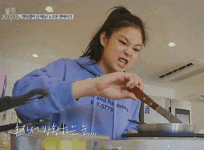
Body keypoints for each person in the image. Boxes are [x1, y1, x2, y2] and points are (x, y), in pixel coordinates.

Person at [12, 6, 148, 140]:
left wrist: (133, 137)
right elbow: (21, 100)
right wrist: (90, 86)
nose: (129, 52)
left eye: (136, 49)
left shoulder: (131, 93)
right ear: (104, 39)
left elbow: (129, 130)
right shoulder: (65, 68)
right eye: (123, 42)